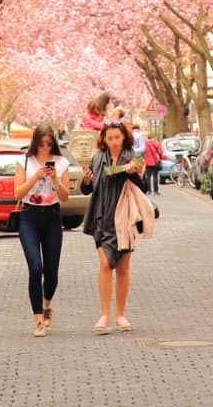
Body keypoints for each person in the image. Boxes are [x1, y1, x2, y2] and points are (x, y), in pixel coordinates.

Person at [81, 118, 147, 333]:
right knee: (105, 264)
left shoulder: (133, 157)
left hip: (124, 217)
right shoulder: (98, 157)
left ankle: (120, 314)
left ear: (123, 137)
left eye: (116, 137)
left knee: (123, 267)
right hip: (101, 216)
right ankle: (104, 315)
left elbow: (143, 186)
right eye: (109, 138)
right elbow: (86, 190)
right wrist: (87, 180)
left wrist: (132, 174)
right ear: (104, 139)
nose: (113, 142)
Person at [13, 123, 70, 337]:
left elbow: (64, 197)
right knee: (35, 267)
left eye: (49, 144)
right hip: (29, 216)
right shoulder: (24, 161)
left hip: (52, 217)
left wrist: (54, 179)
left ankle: (47, 304)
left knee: (52, 273)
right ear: (35, 142)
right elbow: (17, 193)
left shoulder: (61, 163)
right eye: (41, 143)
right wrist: (35, 177)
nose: (45, 148)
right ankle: (38, 319)